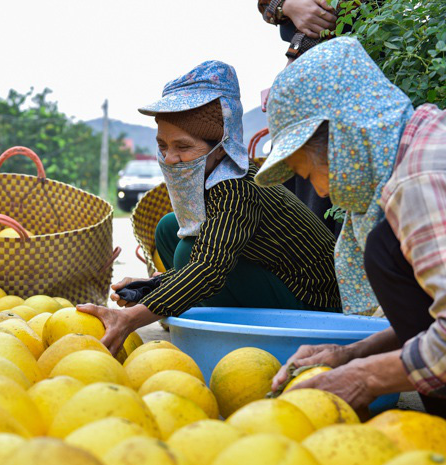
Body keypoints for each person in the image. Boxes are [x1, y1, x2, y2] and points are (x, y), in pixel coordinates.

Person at [78, 61, 341, 356]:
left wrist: (130, 319)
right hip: (269, 279)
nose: (171, 158)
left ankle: (217, 330)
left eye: (184, 147)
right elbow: (216, 253)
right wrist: (152, 286)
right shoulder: (211, 179)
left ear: (222, 145)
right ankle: (185, 304)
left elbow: (209, 266)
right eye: (163, 145)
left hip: (311, 304)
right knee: (168, 228)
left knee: (187, 251)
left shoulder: (236, 188)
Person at [255, 37, 446, 416]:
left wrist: (366, 377)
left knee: (383, 248)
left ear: (345, 138)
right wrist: (351, 354)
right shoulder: (423, 142)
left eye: (309, 174)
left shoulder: (418, 185)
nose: (322, 191)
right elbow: (431, 320)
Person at [258, 0, 342, 236]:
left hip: (331, 89)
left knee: (315, 220)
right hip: (301, 91)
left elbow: (330, 15)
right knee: (291, 213)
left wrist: (294, 63)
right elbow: (264, 5)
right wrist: (286, 6)